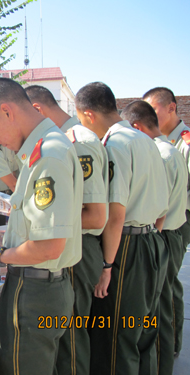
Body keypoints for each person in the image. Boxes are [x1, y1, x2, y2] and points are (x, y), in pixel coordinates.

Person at [0, 78, 83, 375]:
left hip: (34, 293)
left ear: (6, 111)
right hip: (43, 287)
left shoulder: (47, 155)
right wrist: (3, 244)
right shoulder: (42, 150)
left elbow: (49, 245)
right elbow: (34, 227)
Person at [75, 82, 168, 375]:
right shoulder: (146, 141)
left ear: (88, 114)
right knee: (144, 332)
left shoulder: (114, 145)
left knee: (116, 339)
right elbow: (162, 211)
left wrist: (106, 266)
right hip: (153, 242)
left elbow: (115, 215)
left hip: (125, 248)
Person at [26, 84, 109, 375]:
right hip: (66, 245)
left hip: (75, 250)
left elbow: (97, 216)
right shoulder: (62, 139)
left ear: (36, 109)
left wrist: (39, 225)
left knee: (70, 342)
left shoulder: (76, 141)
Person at [121, 100, 188, 375]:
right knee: (162, 299)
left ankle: (162, 363)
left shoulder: (158, 153)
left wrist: (152, 239)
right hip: (168, 231)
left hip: (163, 234)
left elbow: (159, 208)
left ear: (136, 127)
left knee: (158, 306)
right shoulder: (167, 150)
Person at [143, 87, 189, 356]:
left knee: (167, 288)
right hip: (167, 220)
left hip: (177, 221)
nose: (151, 115)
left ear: (171, 108)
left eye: (155, 109)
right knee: (164, 286)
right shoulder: (159, 143)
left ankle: (170, 347)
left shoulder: (184, 142)